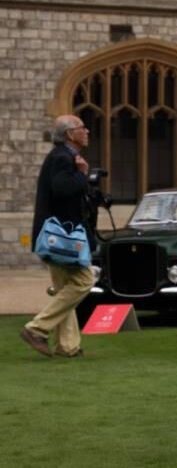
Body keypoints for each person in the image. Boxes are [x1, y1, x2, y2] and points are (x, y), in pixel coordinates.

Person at [20, 115, 97, 358]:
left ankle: (67, 345)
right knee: (84, 282)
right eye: (81, 128)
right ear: (69, 134)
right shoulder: (63, 158)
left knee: (65, 288)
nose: (87, 131)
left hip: (53, 235)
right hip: (61, 237)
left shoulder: (60, 156)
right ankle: (37, 328)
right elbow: (62, 189)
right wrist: (83, 175)